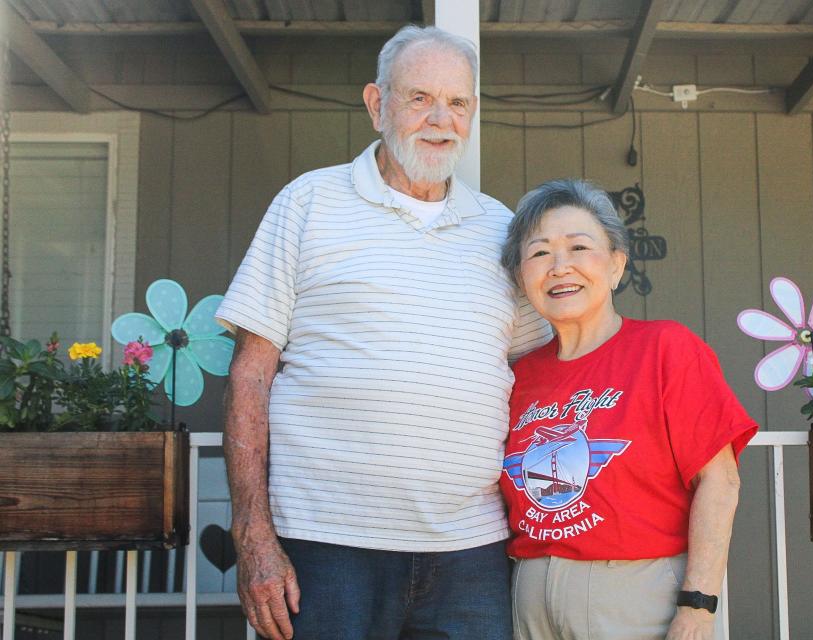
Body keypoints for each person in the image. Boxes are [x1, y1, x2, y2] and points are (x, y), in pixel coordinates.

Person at [216, 26, 550, 640]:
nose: (440, 119)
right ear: (376, 105)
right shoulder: (308, 203)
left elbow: (540, 380)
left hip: (471, 552)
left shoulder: (502, 230)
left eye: (458, 102)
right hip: (324, 546)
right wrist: (253, 535)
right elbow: (250, 374)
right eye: (419, 97)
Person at [499, 179, 758, 640]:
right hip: (531, 599)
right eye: (539, 253)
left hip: (636, 598)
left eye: (579, 247)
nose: (560, 266)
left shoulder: (665, 349)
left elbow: (720, 481)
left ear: (617, 265)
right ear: (522, 278)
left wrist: (698, 606)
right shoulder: (520, 377)